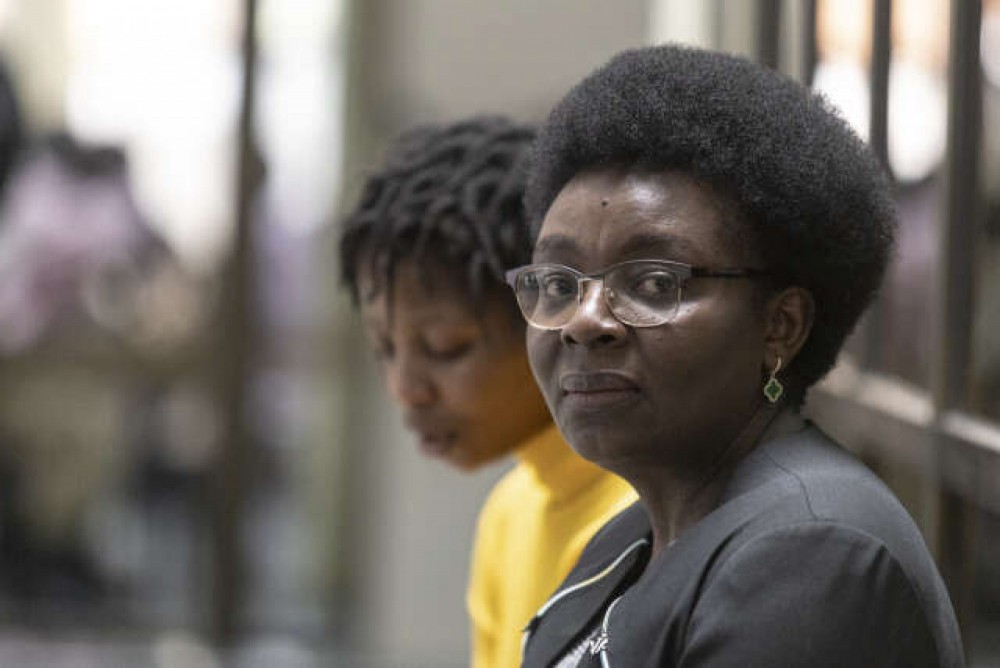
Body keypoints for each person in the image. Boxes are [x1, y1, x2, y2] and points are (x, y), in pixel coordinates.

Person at [507, 46, 964, 667]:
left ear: (781, 327)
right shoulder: (635, 535)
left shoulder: (811, 554)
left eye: (653, 283)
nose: (585, 322)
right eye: (560, 284)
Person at [337, 116, 636, 668]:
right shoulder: (509, 513)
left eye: (446, 347)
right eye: (384, 348)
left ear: (551, 314)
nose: (405, 390)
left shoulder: (641, 519)